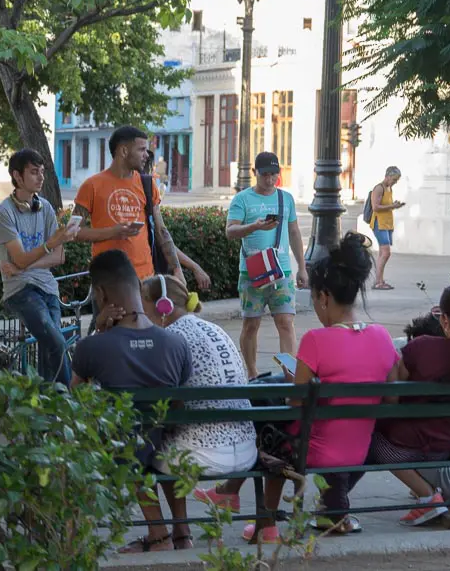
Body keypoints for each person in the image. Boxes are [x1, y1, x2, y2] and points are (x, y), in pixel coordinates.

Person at [195, 232, 398, 539]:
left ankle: (266, 525)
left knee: (271, 436)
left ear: (325, 297)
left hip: (315, 453)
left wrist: (297, 379)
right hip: (359, 450)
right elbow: (392, 396)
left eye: (315, 299)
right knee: (280, 433)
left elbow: (295, 405)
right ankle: (238, 502)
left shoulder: (316, 341)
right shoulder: (382, 336)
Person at [70, 250, 192, 554]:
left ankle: (159, 535)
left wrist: (99, 332)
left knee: (130, 441)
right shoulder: (177, 343)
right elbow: (180, 408)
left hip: (122, 455)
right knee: (155, 438)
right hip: (169, 449)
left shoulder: (91, 348)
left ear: (100, 294)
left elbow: (72, 404)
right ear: (139, 288)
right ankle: (181, 532)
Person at [358, 282, 450, 526]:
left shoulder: (423, 348)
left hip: (402, 448)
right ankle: (424, 494)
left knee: (364, 436)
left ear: (446, 321)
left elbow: (391, 396)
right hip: (445, 449)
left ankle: (426, 496)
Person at [139, 274, 257, 549]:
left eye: (143, 301)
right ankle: (182, 534)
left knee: (142, 447)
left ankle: (172, 533)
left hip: (206, 456)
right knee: (167, 436)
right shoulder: (215, 330)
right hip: (245, 451)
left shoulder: (168, 338)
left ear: (162, 305)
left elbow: (164, 407)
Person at [0, 149, 78, 384]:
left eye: (42, 172)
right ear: (17, 176)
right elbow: (20, 257)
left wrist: (25, 266)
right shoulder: (4, 212)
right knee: (57, 342)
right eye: (34, 172)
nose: (41, 177)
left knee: (50, 349)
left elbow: (59, 256)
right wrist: (49, 245)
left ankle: (48, 405)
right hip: (20, 290)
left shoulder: (46, 208)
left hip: (47, 287)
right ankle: (70, 402)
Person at [225, 151, 308, 379]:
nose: (270, 180)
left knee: (286, 322)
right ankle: (252, 374)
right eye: (265, 175)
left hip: (281, 270)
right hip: (252, 271)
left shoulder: (285, 199)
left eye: (274, 175)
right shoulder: (242, 199)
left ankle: (289, 374)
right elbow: (230, 231)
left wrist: (301, 266)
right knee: (251, 324)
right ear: (255, 173)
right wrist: (254, 227)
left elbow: (293, 232)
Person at [72, 125, 183, 282]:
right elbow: (73, 232)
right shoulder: (91, 186)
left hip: (145, 278)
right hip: (108, 280)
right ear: (123, 151)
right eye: (141, 150)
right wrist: (113, 232)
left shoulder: (148, 184)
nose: (146, 155)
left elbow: (161, 231)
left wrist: (177, 270)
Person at [142, 151, 211, 290]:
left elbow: (162, 237)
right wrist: (184, 268)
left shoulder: (149, 190)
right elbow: (162, 235)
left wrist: (189, 267)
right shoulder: (147, 188)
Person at [369, 166, 405, 290]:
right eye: (394, 179)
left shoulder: (388, 188)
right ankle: (378, 282)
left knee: (382, 253)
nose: (395, 182)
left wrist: (394, 205)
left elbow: (386, 205)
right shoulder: (379, 188)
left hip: (387, 223)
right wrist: (392, 206)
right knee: (386, 253)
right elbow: (375, 207)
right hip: (380, 223)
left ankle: (380, 280)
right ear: (388, 176)